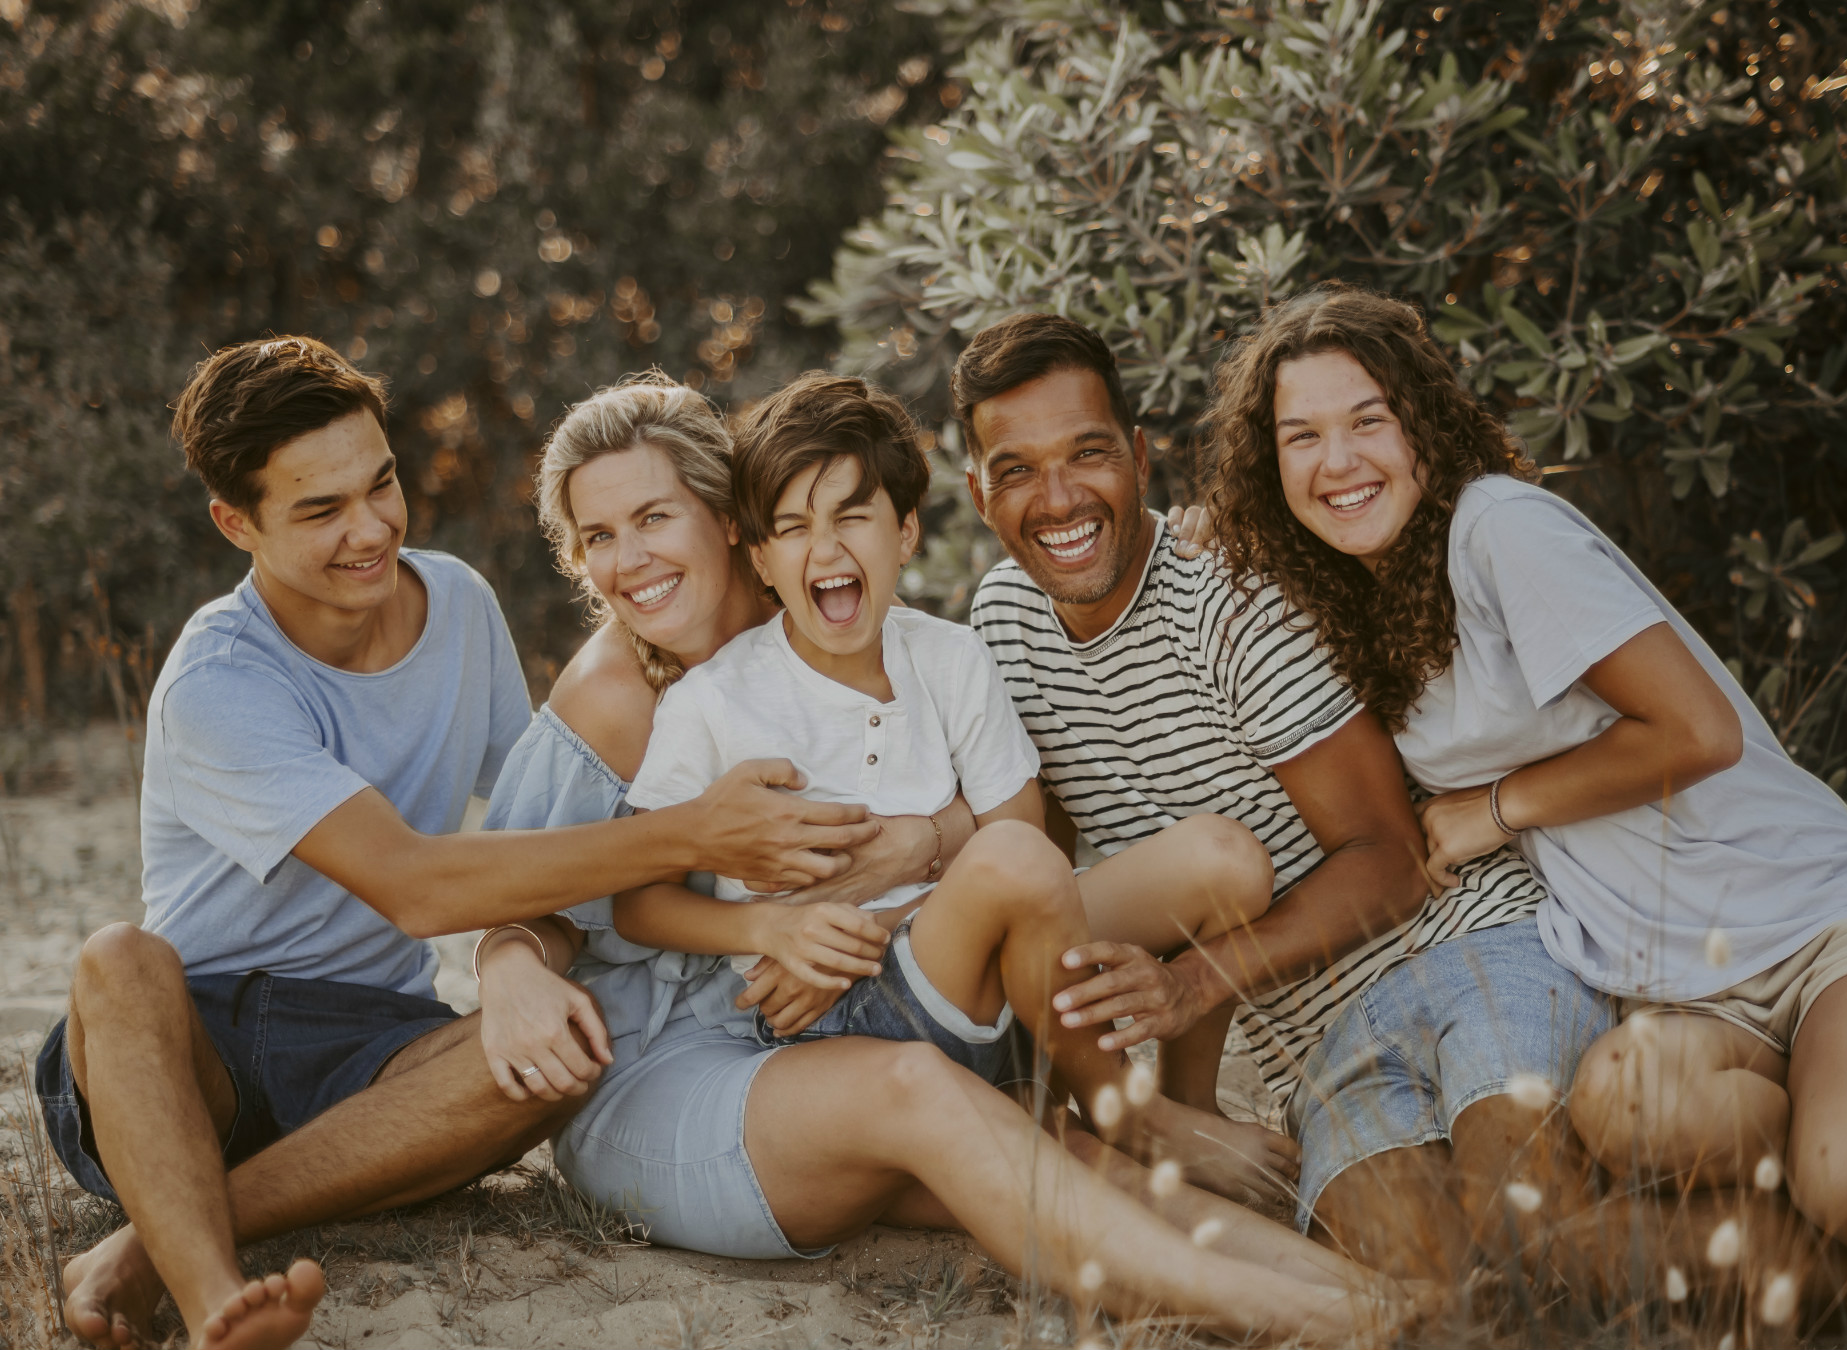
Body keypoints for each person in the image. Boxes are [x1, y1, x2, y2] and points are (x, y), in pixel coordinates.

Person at [474, 371, 1401, 1341]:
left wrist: (924, 841)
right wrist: (509, 962)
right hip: (707, 1052)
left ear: (724, 519)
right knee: (962, 1110)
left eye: (653, 518)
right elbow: (522, 885)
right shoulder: (632, 693)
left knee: (1088, 1073)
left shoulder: (878, 633)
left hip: (908, 957)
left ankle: (1377, 1295)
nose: (628, 563)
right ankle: (1310, 1316)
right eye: (599, 539)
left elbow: (999, 825)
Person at [38, 339, 884, 1350]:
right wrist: (692, 832)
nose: (369, 530)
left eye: (381, 483)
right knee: (116, 958)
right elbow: (416, 887)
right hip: (193, 1041)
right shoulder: (218, 682)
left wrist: (526, 955)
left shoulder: (459, 606)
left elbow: (544, 822)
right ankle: (216, 1297)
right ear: (236, 523)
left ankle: (151, 1235)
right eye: (320, 511)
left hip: (376, 1045)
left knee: (568, 1046)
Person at [1202, 281, 1847, 1293]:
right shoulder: (1368, 598)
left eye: (1368, 421)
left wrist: (1490, 810)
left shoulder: (1499, 528)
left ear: (1424, 427)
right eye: (1300, 437)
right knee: (1626, 1123)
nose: (1338, 461)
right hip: (1679, 986)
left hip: (1812, 918)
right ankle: (1845, 1156)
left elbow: (1697, 732)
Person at [956, 312, 1612, 1272]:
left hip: (1472, 947)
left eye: (1087, 454)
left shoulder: (1228, 594)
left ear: (1139, 457)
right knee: (1426, 1270)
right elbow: (1041, 875)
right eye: (1016, 469)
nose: (1057, 498)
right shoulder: (1002, 623)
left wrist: (1188, 985)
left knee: (1527, 1221)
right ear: (978, 494)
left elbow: (1390, 859)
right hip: (1319, 1046)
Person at [609, 372, 1291, 1192]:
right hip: (832, 1019)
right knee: (1010, 864)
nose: (826, 550)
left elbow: (1020, 836)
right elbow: (636, 902)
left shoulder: (950, 657)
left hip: (981, 971)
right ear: (759, 557)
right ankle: (1126, 1117)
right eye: (792, 528)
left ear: (904, 534)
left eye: (852, 516)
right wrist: (767, 933)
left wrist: (904, 899)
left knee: (1227, 860)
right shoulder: (715, 701)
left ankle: (1187, 1109)